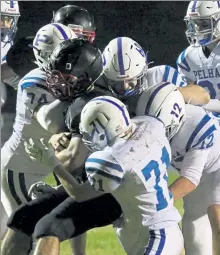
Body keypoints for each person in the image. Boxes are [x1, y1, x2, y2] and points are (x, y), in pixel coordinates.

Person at [23, 95, 184, 255]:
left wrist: (53, 163)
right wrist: (57, 190)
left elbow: (79, 193)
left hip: (154, 231)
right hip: (157, 225)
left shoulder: (113, 160)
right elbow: (127, 182)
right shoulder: (150, 125)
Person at [136, 82, 220, 255]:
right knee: (195, 243)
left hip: (216, 165)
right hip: (197, 173)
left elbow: (189, 180)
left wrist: (154, 202)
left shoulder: (196, 124)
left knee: (217, 217)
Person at [177, 1, 220, 118]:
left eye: (204, 24)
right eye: (194, 24)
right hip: (203, 121)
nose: (198, 29)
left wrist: (204, 105)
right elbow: (185, 96)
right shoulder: (187, 56)